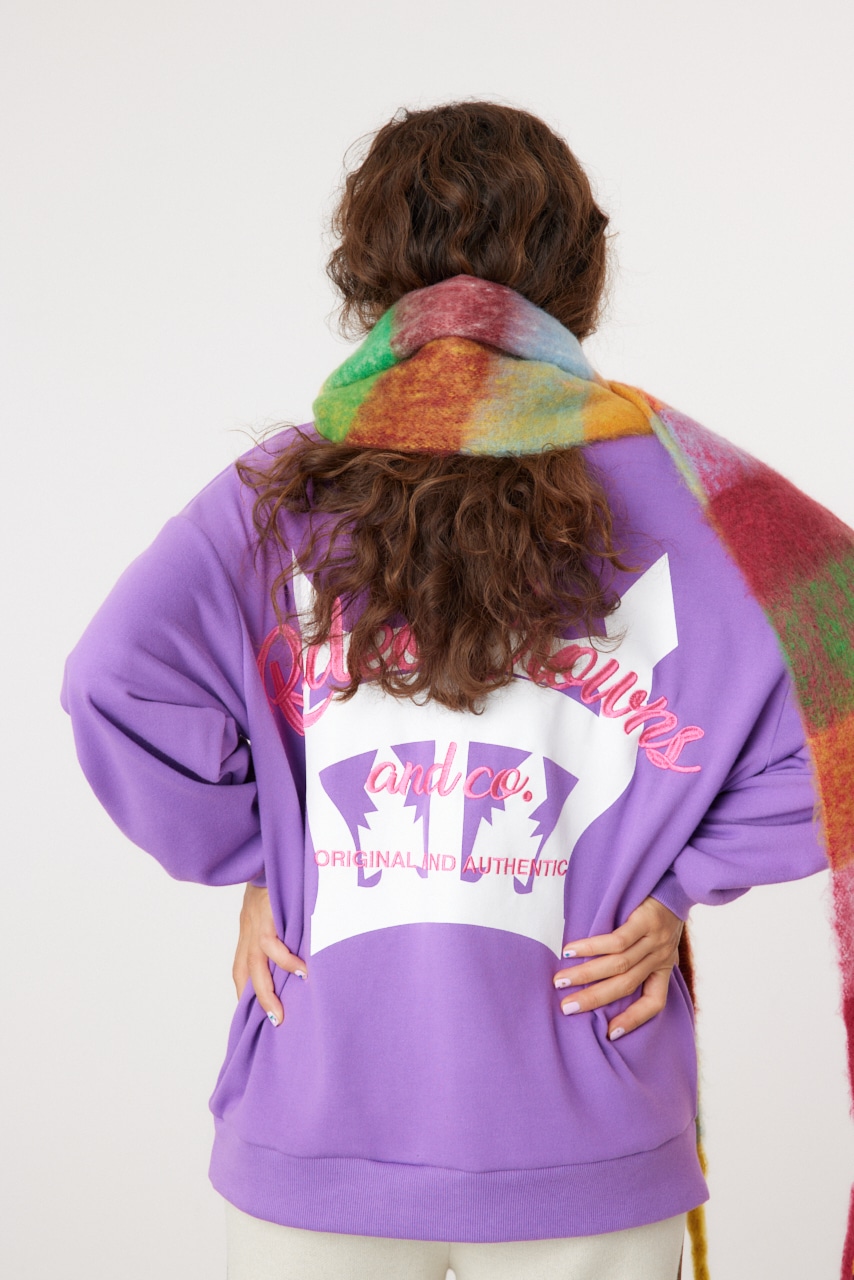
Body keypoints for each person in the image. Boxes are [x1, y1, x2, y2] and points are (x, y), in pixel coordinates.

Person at [60, 101, 851, 1280]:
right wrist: (679, 877)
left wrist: (268, 855)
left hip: (317, 1105)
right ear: (580, 271)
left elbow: (111, 684)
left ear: (366, 272)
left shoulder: (276, 492)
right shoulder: (702, 495)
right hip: (588, 1117)